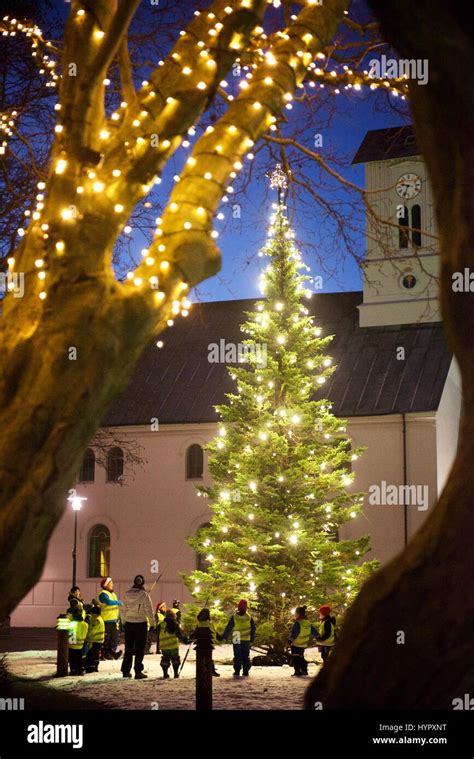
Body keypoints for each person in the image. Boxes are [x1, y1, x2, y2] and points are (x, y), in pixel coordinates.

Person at [120, 575, 155, 679]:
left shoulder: (126, 594)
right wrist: (152, 624)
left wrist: (123, 622)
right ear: (142, 583)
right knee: (140, 648)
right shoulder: (144, 595)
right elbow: (149, 610)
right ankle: (138, 671)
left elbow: (123, 609)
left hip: (129, 623)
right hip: (141, 623)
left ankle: (125, 671)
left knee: (129, 648)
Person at [223, 599, 256, 678]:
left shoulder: (235, 617)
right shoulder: (248, 617)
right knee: (245, 655)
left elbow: (229, 627)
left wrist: (225, 636)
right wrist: (252, 637)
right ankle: (245, 671)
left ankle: (237, 671)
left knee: (237, 655)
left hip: (237, 637)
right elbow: (253, 628)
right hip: (246, 638)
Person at [156, 608, 188, 679]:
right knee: (175, 660)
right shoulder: (175, 624)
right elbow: (179, 635)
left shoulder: (161, 624)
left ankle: (165, 673)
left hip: (164, 646)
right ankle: (176, 673)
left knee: (165, 660)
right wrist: (185, 640)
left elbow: (155, 632)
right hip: (174, 646)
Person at [287, 606, 318, 676]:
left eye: (295, 613)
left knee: (296, 658)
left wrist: (289, 641)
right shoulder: (308, 623)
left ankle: (297, 671)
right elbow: (314, 631)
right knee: (300, 657)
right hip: (303, 644)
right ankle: (304, 670)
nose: (294, 615)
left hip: (296, 644)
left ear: (298, 614)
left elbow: (294, 634)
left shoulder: (298, 623)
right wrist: (318, 637)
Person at [190, 608, 220, 677]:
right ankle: (211, 671)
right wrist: (220, 638)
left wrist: (190, 637)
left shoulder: (199, 623)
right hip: (208, 644)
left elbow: (195, 632)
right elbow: (214, 632)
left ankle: (200, 672)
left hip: (199, 645)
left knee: (200, 659)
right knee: (209, 658)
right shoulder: (209, 624)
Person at [98, 577, 123, 660]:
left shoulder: (113, 594)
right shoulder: (103, 594)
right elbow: (108, 602)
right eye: (110, 583)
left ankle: (112, 653)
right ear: (106, 585)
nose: (112, 585)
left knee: (114, 638)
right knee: (107, 638)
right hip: (106, 620)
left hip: (114, 620)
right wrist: (119, 602)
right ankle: (105, 654)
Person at [84, 602, 105, 673]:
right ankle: (94, 667)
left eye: (92, 613)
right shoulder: (95, 618)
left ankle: (91, 668)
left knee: (91, 655)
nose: (91, 615)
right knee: (95, 655)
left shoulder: (97, 620)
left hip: (96, 641)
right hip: (97, 641)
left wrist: (86, 636)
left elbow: (92, 631)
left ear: (96, 614)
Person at [68, 607, 88, 676]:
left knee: (73, 659)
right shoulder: (85, 624)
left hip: (73, 644)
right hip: (81, 645)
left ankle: (73, 670)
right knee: (79, 658)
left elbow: (70, 634)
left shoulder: (72, 624)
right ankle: (80, 670)